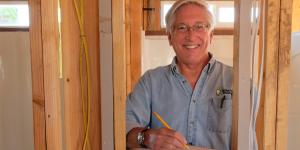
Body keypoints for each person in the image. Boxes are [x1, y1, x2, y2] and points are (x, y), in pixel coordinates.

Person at [126, 0, 232, 149]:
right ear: (170, 37)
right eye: (182, 27)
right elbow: (124, 131)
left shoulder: (238, 82)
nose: (191, 35)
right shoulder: (150, 82)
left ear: (211, 35)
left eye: (199, 27)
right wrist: (145, 137)